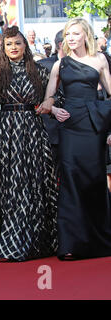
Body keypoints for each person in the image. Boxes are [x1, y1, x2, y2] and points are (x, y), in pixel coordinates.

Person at [41, 18, 111, 260]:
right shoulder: (60, 64)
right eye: (68, 34)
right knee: (70, 180)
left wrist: (108, 128)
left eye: (75, 34)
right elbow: (46, 101)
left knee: (94, 179)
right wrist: (53, 109)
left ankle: (100, 242)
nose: (70, 38)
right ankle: (70, 244)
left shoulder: (100, 60)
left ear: (85, 36)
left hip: (93, 127)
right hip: (69, 125)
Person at [0, 26, 59, 262]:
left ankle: (38, 243)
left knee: (36, 185)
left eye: (18, 43)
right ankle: (11, 244)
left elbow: (55, 96)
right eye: (9, 44)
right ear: (3, 48)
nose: (14, 48)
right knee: (11, 188)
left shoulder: (40, 71)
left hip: (33, 130)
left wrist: (51, 103)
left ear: (25, 45)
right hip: (5, 133)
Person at [37, 30, 65, 168]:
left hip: (77, 127)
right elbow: (35, 96)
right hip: (50, 130)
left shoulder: (85, 65)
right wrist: (52, 109)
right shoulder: (43, 65)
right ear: (61, 44)